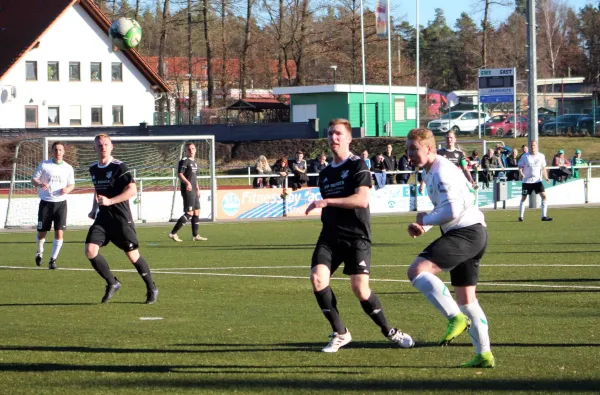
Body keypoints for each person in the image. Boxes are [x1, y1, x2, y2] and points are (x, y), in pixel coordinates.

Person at [305, 118, 414, 353]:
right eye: (330, 134)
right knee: (317, 279)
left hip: (357, 236)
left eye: (338, 134)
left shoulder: (358, 166)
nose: (333, 138)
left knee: (360, 289)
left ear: (348, 138)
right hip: (330, 236)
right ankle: (341, 333)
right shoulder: (324, 173)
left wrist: (326, 201)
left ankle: (389, 331)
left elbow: (361, 199)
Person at [405, 128, 495, 368]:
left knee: (416, 271)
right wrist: (425, 227)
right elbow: (447, 210)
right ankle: (483, 354)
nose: (409, 154)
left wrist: (425, 219)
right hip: (473, 233)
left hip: (466, 233)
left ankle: (455, 318)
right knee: (467, 300)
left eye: (414, 148)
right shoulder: (434, 170)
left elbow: (452, 212)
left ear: (429, 148)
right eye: (408, 149)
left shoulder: (442, 171)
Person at [85, 134, 159, 304]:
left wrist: (110, 201)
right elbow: (98, 191)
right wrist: (94, 208)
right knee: (90, 251)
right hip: (103, 218)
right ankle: (112, 282)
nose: (103, 147)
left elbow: (132, 190)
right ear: (94, 148)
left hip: (121, 218)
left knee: (133, 255)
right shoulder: (93, 169)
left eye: (106, 144)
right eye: (99, 145)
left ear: (111, 147)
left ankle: (151, 287)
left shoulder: (119, 167)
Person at [31, 141, 75, 270]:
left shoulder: (68, 167)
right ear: (52, 151)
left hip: (61, 203)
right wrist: (39, 183)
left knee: (59, 232)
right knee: (41, 233)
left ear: (63, 152)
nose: (58, 152)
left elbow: (72, 184)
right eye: (55, 149)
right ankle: (39, 252)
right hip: (46, 203)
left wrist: (67, 189)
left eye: (60, 150)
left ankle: (53, 260)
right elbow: (34, 179)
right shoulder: (44, 165)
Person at [168, 142, 208, 242]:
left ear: (195, 150)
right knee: (189, 213)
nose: (191, 151)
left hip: (194, 190)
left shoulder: (195, 162)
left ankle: (195, 235)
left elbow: (195, 177)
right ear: (186, 150)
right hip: (188, 190)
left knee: (197, 212)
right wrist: (187, 183)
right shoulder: (184, 161)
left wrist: (198, 189)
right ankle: (173, 233)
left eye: (193, 149)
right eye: (189, 149)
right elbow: (180, 174)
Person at [517, 140, 552, 222]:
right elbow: (520, 166)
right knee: (524, 198)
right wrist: (521, 173)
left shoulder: (541, 156)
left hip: (537, 181)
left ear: (537, 146)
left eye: (534, 146)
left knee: (544, 196)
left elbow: (543, 168)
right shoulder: (525, 156)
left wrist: (546, 177)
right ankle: (521, 216)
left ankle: (544, 216)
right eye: (531, 146)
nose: (533, 147)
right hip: (527, 181)